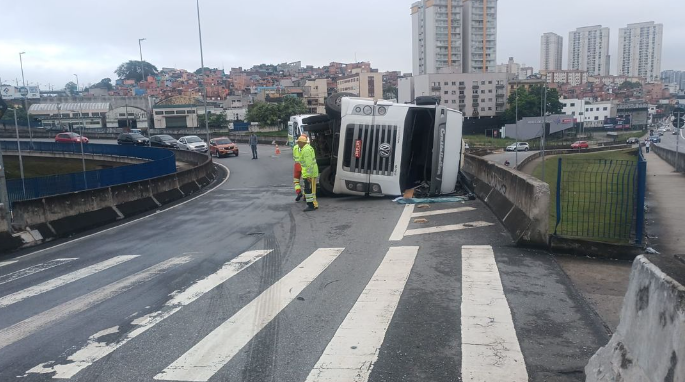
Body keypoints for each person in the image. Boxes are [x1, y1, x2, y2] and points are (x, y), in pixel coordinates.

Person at [297, 135, 319, 211]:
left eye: (298, 143)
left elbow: (309, 164)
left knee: (309, 190)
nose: (298, 144)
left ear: (302, 142)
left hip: (309, 174)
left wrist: (308, 175)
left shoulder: (306, 150)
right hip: (309, 173)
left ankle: (311, 205)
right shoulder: (306, 148)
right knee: (310, 190)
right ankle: (313, 204)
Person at [293, 135, 306, 202]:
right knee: (305, 181)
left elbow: (294, 157)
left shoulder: (295, 147)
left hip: (297, 165)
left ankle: (298, 192)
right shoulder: (305, 148)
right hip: (303, 166)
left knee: (296, 181)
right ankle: (305, 195)